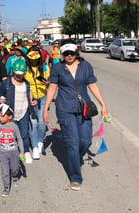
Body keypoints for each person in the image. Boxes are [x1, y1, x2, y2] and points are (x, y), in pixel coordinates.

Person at [43, 42, 108, 191]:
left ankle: (76, 159)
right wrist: (45, 109)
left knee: (85, 141)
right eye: (66, 54)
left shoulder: (86, 66)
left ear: (76, 52)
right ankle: (75, 177)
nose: (69, 56)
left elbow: (92, 85)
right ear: (62, 55)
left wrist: (103, 104)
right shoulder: (58, 68)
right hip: (65, 108)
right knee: (72, 142)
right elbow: (52, 88)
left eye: (71, 53)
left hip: (84, 108)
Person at [0, 59, 37, 164]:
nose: (19, 76)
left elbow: (30, 94)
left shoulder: (26, 83)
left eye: (21, 74)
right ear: (13, 72)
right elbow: (0, 93)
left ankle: (25, 152)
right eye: (17, 74)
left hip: (24, 111)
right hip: (11, 112)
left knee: (24, 134)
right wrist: (1, 99)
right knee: (12, 134)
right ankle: (13, 153)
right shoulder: (6, 82)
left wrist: (33, 101)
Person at [24, 47, 50, 160]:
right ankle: (34, 146)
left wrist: (48, 83)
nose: (33, 61)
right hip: (30, 98)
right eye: (31, 59)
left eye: (36, 58)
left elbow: (50, 84)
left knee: (42, 122)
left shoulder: (45, 68)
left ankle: (40, 142)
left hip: (43, 97)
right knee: (33, 122)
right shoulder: (25, 68)